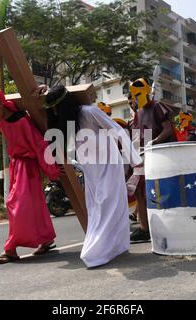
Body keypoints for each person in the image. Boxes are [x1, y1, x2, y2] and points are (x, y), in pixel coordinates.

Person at [44, 85, 142, 268]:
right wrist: (46, 90)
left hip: (109, 167)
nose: (55, 113)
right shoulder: (71, 120)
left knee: (109, 208)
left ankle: (96, 252)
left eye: (56, 108)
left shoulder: (89, 112)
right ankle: (115, 247)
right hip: (91, 172)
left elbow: (118, 130)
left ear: (63, 105)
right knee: (98, 209)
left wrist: (135, 161)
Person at [0, 89, 60, 265]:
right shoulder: (1, 122)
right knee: (34, 205)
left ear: (0, 104)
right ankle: (46, 240)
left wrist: (51, 170)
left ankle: (10, 249)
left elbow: (40, 145)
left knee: (15, 204)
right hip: (16, 165)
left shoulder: (23, 121)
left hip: (27, 166)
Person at [129, 78, 176, 243]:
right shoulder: (138, 113)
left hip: (162, 154)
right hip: (143, 154)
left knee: (163, 189)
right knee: (139, 190)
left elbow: (168, 129)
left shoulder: (158, 106)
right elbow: (136, 136)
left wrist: (154, 142)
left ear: (147, 89)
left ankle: (169, 224)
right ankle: (144, 228)